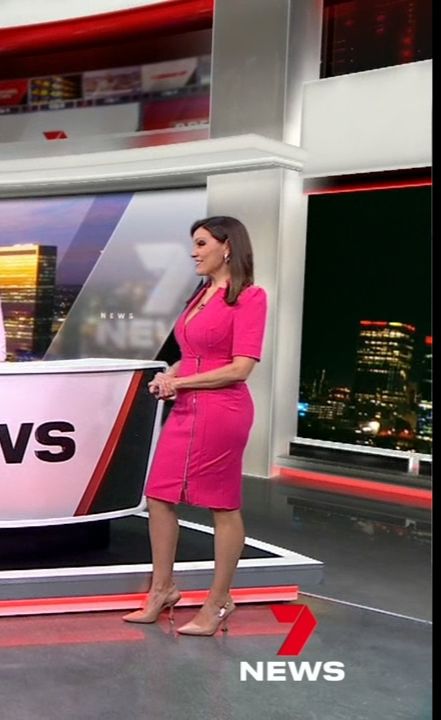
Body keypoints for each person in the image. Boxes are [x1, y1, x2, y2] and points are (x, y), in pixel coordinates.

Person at [123, 216, 267, 635]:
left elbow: (240, 368)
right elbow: (193, 355)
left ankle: (219, 601)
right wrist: (169, 375)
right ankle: (162, 590)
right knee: (159, 495)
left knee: (222, 504)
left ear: (227, 246)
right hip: (187, 408)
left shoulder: (250, 297)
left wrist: (180, 382)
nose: (193, 252)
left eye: (201, 244)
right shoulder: (201, 295)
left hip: (223, 412)